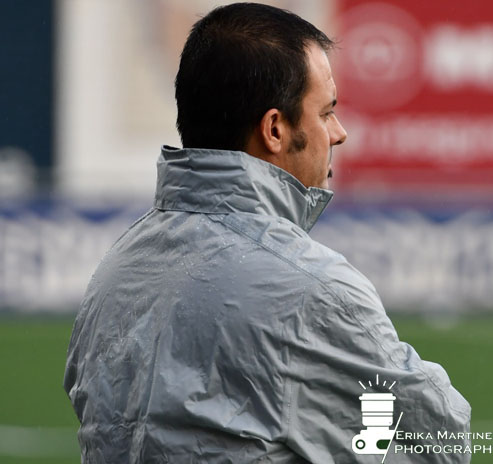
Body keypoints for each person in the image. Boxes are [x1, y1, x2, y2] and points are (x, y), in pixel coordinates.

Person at [64, 3, 471, 463]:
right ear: (275, 129)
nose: (339, 133)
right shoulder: (314, 287)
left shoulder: (113, 271)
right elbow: (441, 444)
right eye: (327, 112)